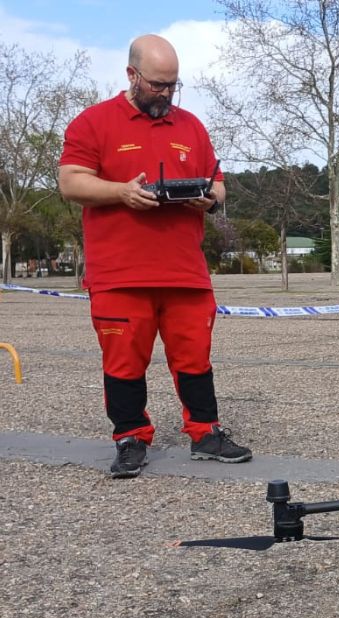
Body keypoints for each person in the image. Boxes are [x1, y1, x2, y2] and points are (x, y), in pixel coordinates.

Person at [59, 34, 252, 479]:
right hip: (120, 275)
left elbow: (217, 182)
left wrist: (211, 199)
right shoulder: (93, 122)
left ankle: (206, 433)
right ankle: (130, 437)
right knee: (124, 363)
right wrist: (122, 192)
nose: (165, 94)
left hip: (185, 273)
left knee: (195, 358)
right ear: (132, 75)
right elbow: (71, 182)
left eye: (172, 85)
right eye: (157, 85)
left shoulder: (191, 127)